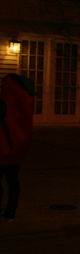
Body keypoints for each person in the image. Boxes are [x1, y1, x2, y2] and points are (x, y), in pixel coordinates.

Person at [0, 74, 36, 222]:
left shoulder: (5, 102)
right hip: (17, 150)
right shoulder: (25, 100)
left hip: (2, 149)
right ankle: (10, 211)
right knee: (13, 180)